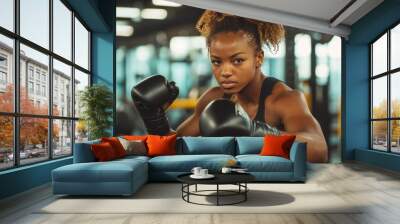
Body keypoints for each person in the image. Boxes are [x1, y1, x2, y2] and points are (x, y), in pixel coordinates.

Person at [176, 10, 328, 163]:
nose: (225, 72)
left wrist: (256, 131)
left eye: (237, 61)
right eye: (217, 61)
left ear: (258, 58)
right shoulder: (213, 98)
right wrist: (155, 117)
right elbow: (173, 146)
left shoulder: (283, 99)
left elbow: (319, 150)